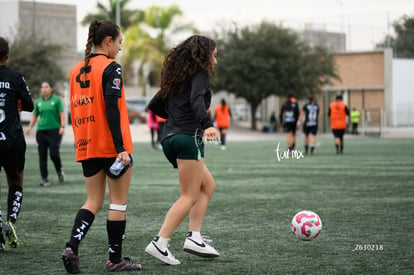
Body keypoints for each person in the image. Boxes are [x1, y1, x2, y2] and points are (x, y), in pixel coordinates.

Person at [62, 20, 142, 273]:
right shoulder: (111, 68)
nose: (120, 49)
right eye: (119, 43)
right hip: (111, 147)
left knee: (92, 200)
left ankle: (72, 247)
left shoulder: (75, 70)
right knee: (117, 203)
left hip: (86, 145)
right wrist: (120, 147)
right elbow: (111, 108)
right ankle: (115, 259)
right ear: (108, 41)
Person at [145, 35, 220, 265]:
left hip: (169, 138)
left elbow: (154, 105)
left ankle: (194, 237)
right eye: (214, 56)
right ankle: (160, 242)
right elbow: (197, 99)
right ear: (204, 55)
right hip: (188, 138)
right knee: (189, 195)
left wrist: (175, 120)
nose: (215, 62)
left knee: (207, 186)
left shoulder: (176, 78)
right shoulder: (200, 74)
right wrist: (206, 125)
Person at [0, 36, 34, 253]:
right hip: (12, 140)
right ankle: (11, 221)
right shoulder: (16, 77)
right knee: (15, 184)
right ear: (7, 55)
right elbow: (29, 105)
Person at [25, 81, 65, 186]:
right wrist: (29, 127)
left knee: (54, 154)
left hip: (54, 131)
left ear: (51, 89)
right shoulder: (38, 102)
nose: (44, 89)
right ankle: (44, 178)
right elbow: (35, 116)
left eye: (46, 87)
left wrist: (62, 126)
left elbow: (62, 113)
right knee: (42, 155)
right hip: (41, 131)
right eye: (42, 87)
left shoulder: (56, 100)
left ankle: (59, 170)